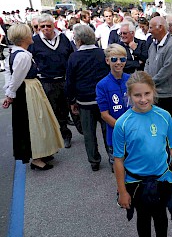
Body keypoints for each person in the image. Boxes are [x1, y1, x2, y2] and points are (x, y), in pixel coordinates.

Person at [113, 71, 172, 237]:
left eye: (147, 94)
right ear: (129, 96)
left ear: (154, 92)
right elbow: (118, 159)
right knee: (143, 218)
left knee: (161, 217)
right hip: (136, 183)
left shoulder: (164, 116)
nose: (143, 99)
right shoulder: (122, 123)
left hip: (161, 178)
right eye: (137, 95)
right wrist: (122, 191)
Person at [2, 24, 63, 169]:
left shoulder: (14, 53)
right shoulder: (22, 55)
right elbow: (16, 78)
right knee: (35, 123)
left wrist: (9, 93)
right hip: (28, 91)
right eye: (29, 33)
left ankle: (42, 152)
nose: (32, 35)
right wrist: (10, 95)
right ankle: (36, 157)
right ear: (24, 38)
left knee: (37, 122)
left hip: (28, 89)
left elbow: (9, 75)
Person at [65, 25, 109, 171]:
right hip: (103, 100)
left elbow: (70, 81)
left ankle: (94, 160)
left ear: (79, 40)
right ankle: (113, 157)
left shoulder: (74, 57)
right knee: (107, 130)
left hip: (84, 100)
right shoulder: (103, 54)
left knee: (89, 133)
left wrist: (71, 101)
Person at [29, 13, 74, 148]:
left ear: (53, 25)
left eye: (48, 26)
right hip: (47, 81)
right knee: (55, 110)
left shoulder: (63, 38)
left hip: (64, 79)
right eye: (42, 26)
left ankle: (80, 127)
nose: (46, 29)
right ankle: (64, 134)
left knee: (70, 107)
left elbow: (71, 56)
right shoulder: (35, 41)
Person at [145, 16, 172, 155]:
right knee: (155, 121)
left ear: (160, 27)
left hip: (166, 93)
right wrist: (146, 79)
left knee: (169, 121)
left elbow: (167, 70)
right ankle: (162, 147)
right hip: (154, 91)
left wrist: (149, 82)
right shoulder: (153, 43)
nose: (149, 31)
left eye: (151, 27)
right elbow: (148, 62)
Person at [96, 44, 130, 171]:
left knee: (136, 164)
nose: (119, 63)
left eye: (122, 59)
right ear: (107, 61)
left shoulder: (131, 80)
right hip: (116, 133)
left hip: (134, 132)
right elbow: (104, 114)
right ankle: (121, 189)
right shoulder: (102, 85)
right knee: (119, 166)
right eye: (114, 59)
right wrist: (122, 129)